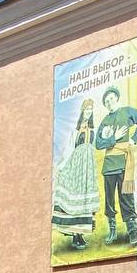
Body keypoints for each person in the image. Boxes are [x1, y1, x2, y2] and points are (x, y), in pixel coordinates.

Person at [94, 85, 137, 246]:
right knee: (109, 200)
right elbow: (98, 144)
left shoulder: (127, 112)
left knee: (126, 196)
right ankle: (113, 229)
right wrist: (114, 137)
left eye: (111, 98)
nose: (109, 102)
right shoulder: (105, 121)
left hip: (124, 163)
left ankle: (132, 229)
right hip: (109, 166)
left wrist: (133, 139)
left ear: (116, 98)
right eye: (106, 101)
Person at [52, 97, 99, 252]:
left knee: (84, 201)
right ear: (82, 111)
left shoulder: (94, 130)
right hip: (76, 165)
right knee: (74, 201)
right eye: (86, 109)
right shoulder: (76, 131)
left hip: (88, 168)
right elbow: (69, 149)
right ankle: (75, 235)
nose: (88, 112)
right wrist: (61, 166)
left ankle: (81, 234)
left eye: (90, 110)